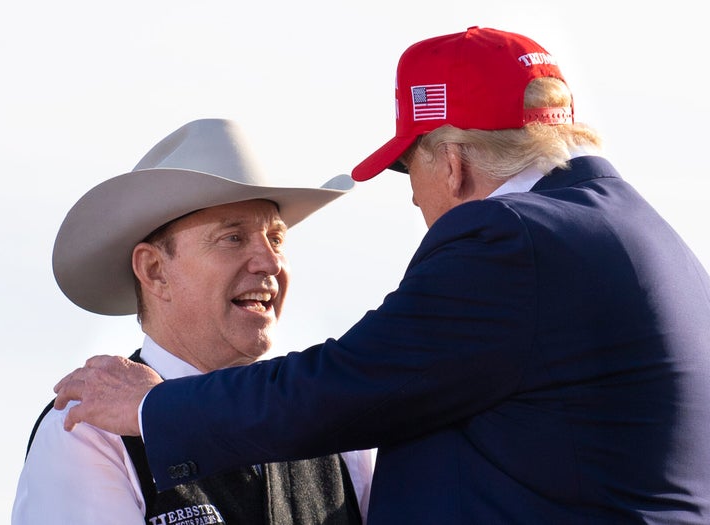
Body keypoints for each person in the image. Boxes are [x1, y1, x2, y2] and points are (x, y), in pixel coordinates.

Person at [53, 27, 710, 524]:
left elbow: (348, 384)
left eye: (409, 167)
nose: (416, 199)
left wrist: (152, 407)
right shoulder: (646, 237)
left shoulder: (506, 237)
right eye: (230, 237)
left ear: (450, 161)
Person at [13, 118, 373, 525]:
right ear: (153, 271)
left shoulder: (336, 431)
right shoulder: (88, 431)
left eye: (276, 238)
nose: (270, 262)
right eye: (232, 237)